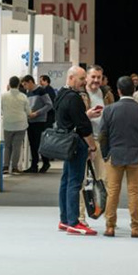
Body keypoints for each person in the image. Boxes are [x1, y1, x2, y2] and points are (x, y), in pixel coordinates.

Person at [99, 76, 138, 238]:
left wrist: (106, 154)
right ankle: (136, 227)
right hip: (136, 156)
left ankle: (110, 226)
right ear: (134, 89)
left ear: (118, 91)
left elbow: (102, 136)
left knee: (113, 191)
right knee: (134, 192)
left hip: (115, 155)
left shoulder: (109, 110)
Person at [56, 66, 100, 235]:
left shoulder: (60, 94)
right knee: (75, 182)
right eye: (82, 79)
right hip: (76, 144)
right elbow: (83, 126)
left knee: (66, 181)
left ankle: (65, 219)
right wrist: (92, 146)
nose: (84, 82)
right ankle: (74, 222)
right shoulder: (74, 98)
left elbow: (69, 119)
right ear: (71, 77)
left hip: (65, 143)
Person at [77, 64, 113, 225]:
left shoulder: (107, 95)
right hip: (83, 141)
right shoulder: (80, 95)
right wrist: (87, 115)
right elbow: (75, 119)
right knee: (81, 181)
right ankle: (80, 217)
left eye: (99, 77)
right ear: (87, 78)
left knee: (105, 180)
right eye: (93, 77)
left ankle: (108, 217)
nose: (96, 80)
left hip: (102, 142)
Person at [21, 75, 53, 173]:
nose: (25, 87)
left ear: (30, 82)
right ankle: (34, 165)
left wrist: (37, 113)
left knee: (40, 143)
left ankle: (46, 162)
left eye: (25, 84)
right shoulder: (28, 93)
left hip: (40, 121)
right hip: (30, 121)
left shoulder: (41, 91)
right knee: (32, 144)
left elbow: (49, 105)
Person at [1, 76, 30, 174]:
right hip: (20, 125)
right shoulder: (23, 96)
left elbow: (1, 109)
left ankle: (5, 167)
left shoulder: (3, 96)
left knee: (7, 146)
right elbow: (28, 111)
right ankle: (14, 168)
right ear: (18, 84)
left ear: (9, 84)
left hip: (7, 124)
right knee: (17, 147)